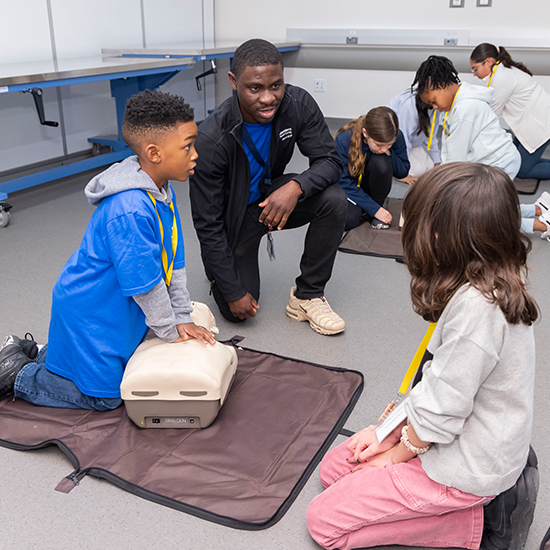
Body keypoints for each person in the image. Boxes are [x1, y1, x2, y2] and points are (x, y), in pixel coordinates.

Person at [306, 162, 538, 550]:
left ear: (441, 236)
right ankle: (464, 504)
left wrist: (395, 454)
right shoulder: (487, 279)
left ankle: (477, 526)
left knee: (324, 522)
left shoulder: (477, 311)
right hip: (461, 439)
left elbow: (442, 408)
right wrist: (386, 431)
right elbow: (435, 384)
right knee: (336, 467)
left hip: (464, 467)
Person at [0, 90, 215, 410]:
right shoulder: (129, 208)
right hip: (90, 311)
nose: (195, 154)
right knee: (107, 396)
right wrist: (172, 331)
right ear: (154, 153)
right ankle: (17, 373)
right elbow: (147, 285)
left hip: (113, 307)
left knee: (114, 366)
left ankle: (36, 353)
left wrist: (181, 316)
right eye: (187, 146)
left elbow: (175, 266)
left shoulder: (161, 192)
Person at [189, 39, 347, 336]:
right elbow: (207, 225)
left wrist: (296, 186)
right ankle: (224, 276)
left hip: (272, 198)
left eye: (276, 86)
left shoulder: (298, 105)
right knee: (238, 313)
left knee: (334, 200)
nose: (268, 98)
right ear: (234, 82)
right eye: (255, 88)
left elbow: (330, 161)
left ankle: (307, 295)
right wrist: (234, 291)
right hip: (234, 222)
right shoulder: (211, 140)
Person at [413, 55, 521, 180]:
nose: (435, 107)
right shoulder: (453, 104)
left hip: (500, 162)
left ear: (442, 85)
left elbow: (457, 156)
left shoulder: (466, 108)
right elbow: (450, 144)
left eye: (434, 101)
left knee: (482, 197)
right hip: (490, 160)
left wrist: (441, 180)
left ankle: (543, 201)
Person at [470, 43, 550, 181]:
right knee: (516, 159)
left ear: (488, 61)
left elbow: (492, 114)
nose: (475, 74)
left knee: (523, 170)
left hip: (539, 123)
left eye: (475, 69)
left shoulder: (502, 77)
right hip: (529, 122)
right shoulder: (501, 73)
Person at [334, 107, 410, 231]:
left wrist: (389, 153)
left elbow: (402, 172)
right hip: (348, 189)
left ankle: (375, 206)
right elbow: (342, 182)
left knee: (382, 162)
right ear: (365, 133)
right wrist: (374, 209)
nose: (384, 149)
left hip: (370, 187)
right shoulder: (344, 139)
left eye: (389, 144)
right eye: (379, 145)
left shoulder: (396, 136)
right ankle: (370, 210)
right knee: (348, 220)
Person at [387, 88, 441, 184]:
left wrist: (438, 162)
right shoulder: (409, 105)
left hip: (412, 142)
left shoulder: (435, 107)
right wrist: (402, 173)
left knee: (430, 167)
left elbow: (431, 135)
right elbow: (403, 138)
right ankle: (389, 160)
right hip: (393, 142)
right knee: (418, 171)